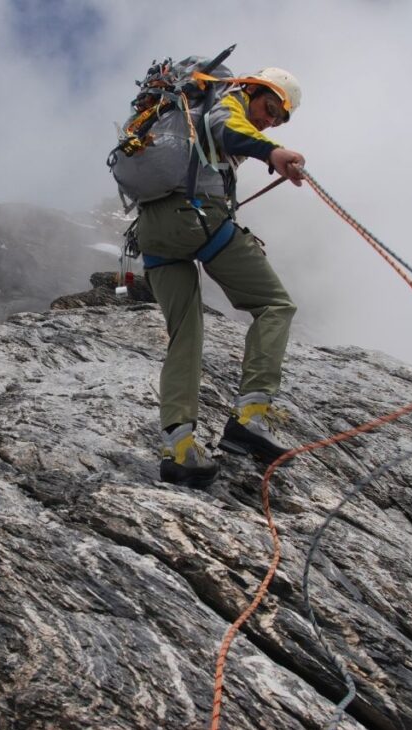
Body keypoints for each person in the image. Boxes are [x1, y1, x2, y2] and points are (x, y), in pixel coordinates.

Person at [137, 67, 306, 487]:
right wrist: (273, 152)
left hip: (152, 233)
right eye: (269, 109)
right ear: (252, 89)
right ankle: (250, 416)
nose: (269, 121)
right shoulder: (224, 101)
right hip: (193, 218)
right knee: (275, 305)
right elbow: (225, 125)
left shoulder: (183, 118)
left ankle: (179, 449)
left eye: (278, 120)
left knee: (185, 335)